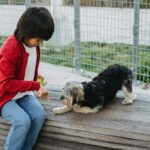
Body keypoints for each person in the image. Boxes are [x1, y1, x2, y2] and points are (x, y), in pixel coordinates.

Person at [0, 6, 54, 150]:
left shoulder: (33, 45)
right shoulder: (11, 48)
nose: (40, 43)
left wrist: (36, 77)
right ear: (27, 32)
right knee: (23, 121)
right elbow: (6, 84)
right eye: (38, 39)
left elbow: (26, 67)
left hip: (22, 94)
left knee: (39, 116)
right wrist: (35, 85)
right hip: (5, 97)